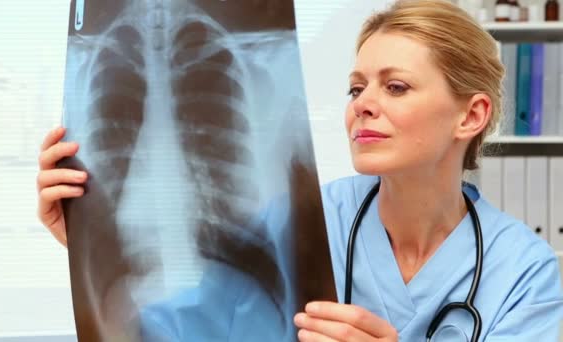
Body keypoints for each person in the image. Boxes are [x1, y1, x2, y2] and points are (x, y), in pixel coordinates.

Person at [36, 0, 563, 340]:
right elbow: (177, 326)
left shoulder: (523, 272)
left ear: (471, 116)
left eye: (395, 86)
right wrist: (86, 242)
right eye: (357, 88)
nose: (363, 104)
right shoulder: (306, 218)